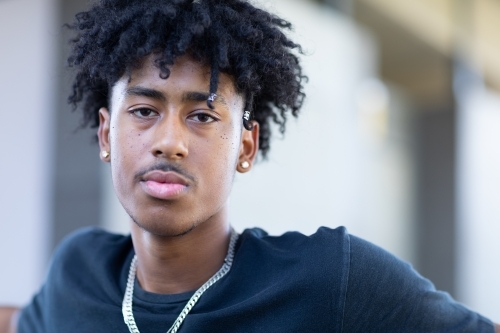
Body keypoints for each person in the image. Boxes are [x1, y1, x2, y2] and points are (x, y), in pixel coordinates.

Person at [1, 0, 499, 332]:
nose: (169, 142)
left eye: (201, 115)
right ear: (107, 134)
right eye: (145, 111)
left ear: (245, 146)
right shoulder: (78, 271)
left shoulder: (330, 279)